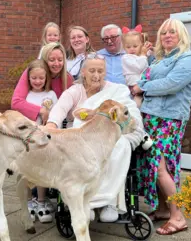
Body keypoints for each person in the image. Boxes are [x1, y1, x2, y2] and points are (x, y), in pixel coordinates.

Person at [46, 53, 146, 222]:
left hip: (107, 140)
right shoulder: (75, 91)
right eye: (92, 70)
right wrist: (51, 125)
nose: (96, 75)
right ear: (83, 72)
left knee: (117, 147)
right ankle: (87, 203)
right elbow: (60, 108)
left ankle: (110, 202)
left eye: (100, 71)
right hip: (82, 142)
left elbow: (130, 110)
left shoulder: (116, 90)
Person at [132, 18, 191, 235]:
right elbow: (151, 78)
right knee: (154, 165)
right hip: (150, 118)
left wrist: (141, 87)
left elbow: (171, 84)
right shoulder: (158, 60)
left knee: (162, 167)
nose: (167, 35)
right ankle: (163, 209)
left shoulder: (189, 58)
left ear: (181, 35)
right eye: (164, 33)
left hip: (169, 119)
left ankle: (178, 217)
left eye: (172, 32)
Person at [19, 59, 58, 223]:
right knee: (27, 173)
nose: (37, 81)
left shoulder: (51, 95)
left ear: (46, 78)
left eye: (41, 78)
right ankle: (30, 202)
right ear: (28, 78)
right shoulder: (25, 96)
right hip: (28, 141)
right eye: (34, 78)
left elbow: (55, 114)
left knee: (42, 172)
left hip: (43, 140)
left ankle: (41, 202)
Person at [11, 42, 73, 125]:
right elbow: (16, 102)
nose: (57, 63)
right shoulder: (33, 72)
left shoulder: (67, 78)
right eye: (52, 60)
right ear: (44, 60)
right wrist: (41, 110)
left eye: (60, 60)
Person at [121, 24, 152, 108]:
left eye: (135, 46)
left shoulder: (139, 55)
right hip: (135, 87)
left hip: (144, 86)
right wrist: (143, 54)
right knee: (137, 105)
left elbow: (148, 54)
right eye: (128, 47)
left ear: (141, 45)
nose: (132, 49)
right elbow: (139, 66)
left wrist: (147, 48)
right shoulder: (126, 58)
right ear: (124, 47)